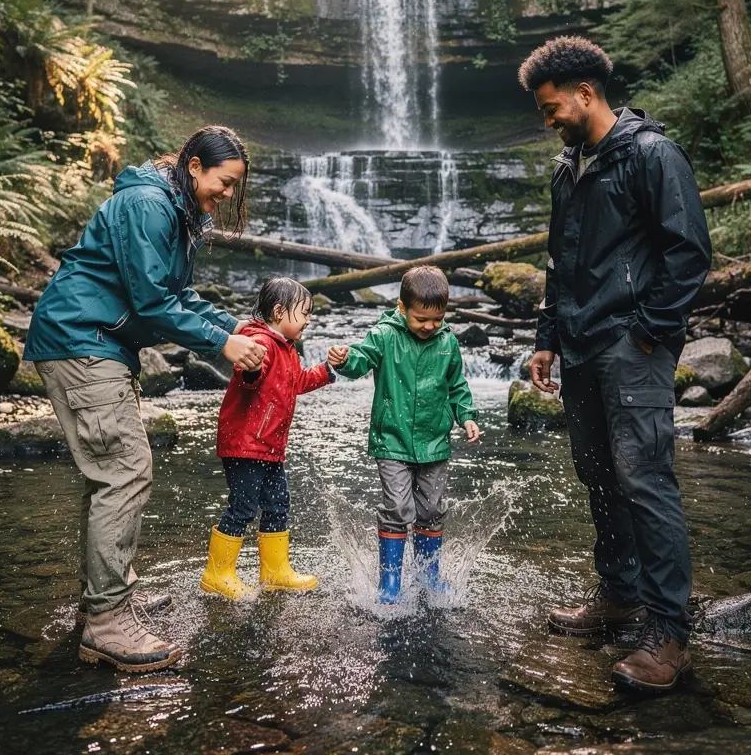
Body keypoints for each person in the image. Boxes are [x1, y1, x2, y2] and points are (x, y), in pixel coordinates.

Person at [24, 125, 267, 673]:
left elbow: (177, 294)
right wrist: (222, 345)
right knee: (125, 471)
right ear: (195, 166)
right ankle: (107, 622)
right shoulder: (148, 205)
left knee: (111, 473)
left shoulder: (174, 206)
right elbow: (152, 302)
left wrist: (234, 326)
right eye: (225, 182)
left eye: (236, 186)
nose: (228, 194)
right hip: (82, 338)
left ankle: (105, 598)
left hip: (98, 341)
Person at [520, 37, 712, 693]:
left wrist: (648, 333)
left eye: (551, 108)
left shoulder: (652, 155)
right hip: (579, 346)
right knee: (599, 474)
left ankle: (669, 634)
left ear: (585, 94)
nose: (548, 120)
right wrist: (546, 337)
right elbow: (559, 262)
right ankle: (620, 595)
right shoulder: (567, 170)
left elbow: (688, 252)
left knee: (644, 479)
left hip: (632, 348)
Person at [328, 266, 482, 604]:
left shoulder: (448, 342)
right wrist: (344, 359)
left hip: (435, 442)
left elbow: (457, 386)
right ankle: (390, 583)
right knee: (398, 507)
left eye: (437, 319)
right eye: (421, 319)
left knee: (432, 509)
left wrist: (467, 417)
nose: (429, 326)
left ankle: (429, 576)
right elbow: (360, 359)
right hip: (392, 440)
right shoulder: (385, 335)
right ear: (402, 308)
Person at [200, 277, 334, 600]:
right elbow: (249, 376)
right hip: (245, 445)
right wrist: (251, 368)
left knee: (277, 504)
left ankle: (275, 571)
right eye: (304, 313)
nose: (308, 320)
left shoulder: (287, 348)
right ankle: (217, 573)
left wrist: (328, 369)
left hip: (269, 446)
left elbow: (297, 382)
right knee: (243, 507)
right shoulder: (260, 342)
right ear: (278, 312)